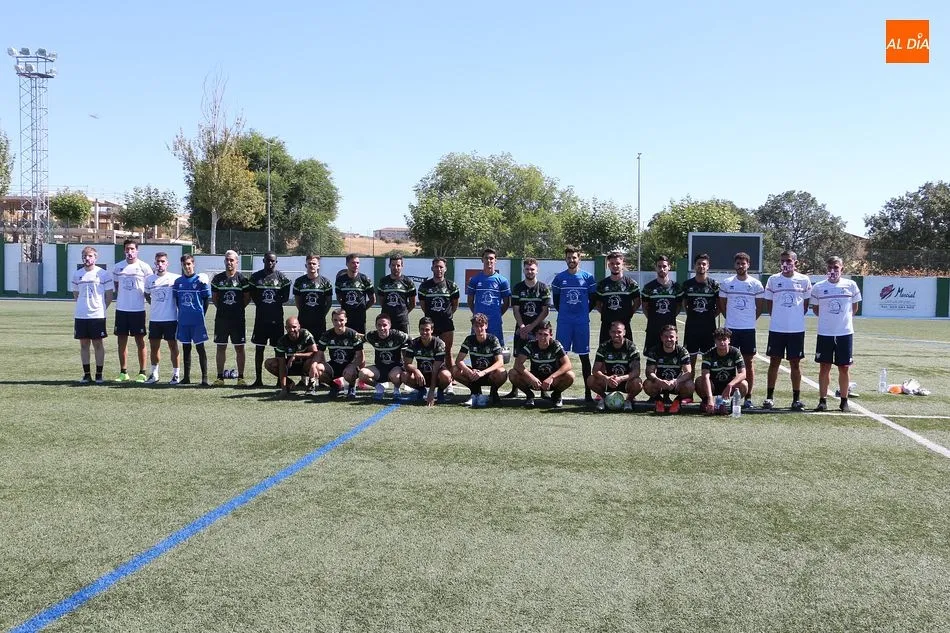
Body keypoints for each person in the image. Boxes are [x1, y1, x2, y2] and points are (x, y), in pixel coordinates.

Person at [810, 256, 862, 412]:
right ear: (826, 269)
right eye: (830, 267)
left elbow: (855, 308)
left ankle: (844, 401)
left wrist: (842, 321)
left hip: (844, 333)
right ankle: (822, 400)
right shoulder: (818, 287)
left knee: (844, 368)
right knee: (824, 367)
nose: (833, 270)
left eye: (836, 267)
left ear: (842, 268)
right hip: (825, 333)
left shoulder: (851, 285)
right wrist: (829, 321)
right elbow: (816, 309)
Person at [762, 250, 812, 411]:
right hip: (777, 329)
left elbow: (805, 305)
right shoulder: (773, 280)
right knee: (774, 363)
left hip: (796, 330)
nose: (785, 263)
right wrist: (779, 318)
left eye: (789, 261)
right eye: (783, 260)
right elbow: (769, 305)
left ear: (795, 262)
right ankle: (769, 398)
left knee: (795, 364)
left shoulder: (804, 280)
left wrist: (794, 317)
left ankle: (796, 399)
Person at [717, 252, 765, 408]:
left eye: (743, 263)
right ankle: (727, 394)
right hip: (730, 329)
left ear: (748, 265)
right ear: (734, 265)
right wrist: (731, 319)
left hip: (748, 329)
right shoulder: (726, 283)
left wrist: (749, 320)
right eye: (738, 263)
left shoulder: (756, 284)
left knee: (748, 363)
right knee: (730, 361)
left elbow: (759, 307)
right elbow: (723, 305)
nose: (740, 266)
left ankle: (748, 397)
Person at [551, 246, 597, 402]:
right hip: (564, 322)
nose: (571, 260)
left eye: (574, 257)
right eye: (569, 257)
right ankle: (557, 393)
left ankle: (587, 393)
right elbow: (556, 301)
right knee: (560, 357)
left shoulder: (588, 278)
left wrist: (581, 313)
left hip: (581, 323)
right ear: (565, 259)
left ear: (579, 259)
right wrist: (566, 313)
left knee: (584, 357)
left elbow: (593, 300)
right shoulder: (559, 279)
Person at [505, 257, 551, 398]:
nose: (530, 271)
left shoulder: (543, 287)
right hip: (522, 328)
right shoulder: (518, 287)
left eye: (532, 269)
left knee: (541, 358)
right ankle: (515, 389)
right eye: (527, 269)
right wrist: (522, 326)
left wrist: (532, 326)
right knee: (519, 357)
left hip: (538, 328)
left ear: (537, 270)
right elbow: (516, 309)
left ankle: (543, 390)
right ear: (523, 270)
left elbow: (545, 311)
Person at [112, 239, 153, 382]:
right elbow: (117, 286)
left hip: (138, 310)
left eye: (132, 249)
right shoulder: (118, 267)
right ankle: (123, 372)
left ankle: (142, 372)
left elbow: (149, 288)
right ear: (124, 250)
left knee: (140, 341)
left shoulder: (144, 267)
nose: (130, 252)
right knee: (121, 341)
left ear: (137, 250)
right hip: (122, 309)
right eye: (127, 249)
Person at [249, 251, 292, 387]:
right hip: (261, 319)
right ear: (263, 261)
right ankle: (258, 379)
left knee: (278, 351)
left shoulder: (282, 278)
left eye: (273, 261)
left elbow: (284, 297)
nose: (270, 263)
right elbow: (254, 296)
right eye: (268, 260)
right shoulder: (255, 277)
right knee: (259, 349)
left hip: (276, 320)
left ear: (276, 262)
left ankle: (280, 380)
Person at [509, 320, 574, 408]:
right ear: (536, 335)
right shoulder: (531, 345)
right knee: (513, 373)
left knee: (570, 375)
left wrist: (551, 378)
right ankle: (529, 395)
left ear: (551, 335)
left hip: (552, 382)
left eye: (545, 334)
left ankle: (557, 395)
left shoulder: (555, 345)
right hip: (535, 381)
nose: (542, 337)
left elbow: (568, 364)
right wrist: (532, 378)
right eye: (540, 334)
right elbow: (517, 364)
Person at [72, 246, 113, 384]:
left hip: (97, 315)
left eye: (90, 256)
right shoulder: (77, 274)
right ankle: (87, 374)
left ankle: (99, 374)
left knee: (98, 344)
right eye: (84, 255)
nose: (87, 258)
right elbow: (76, 295)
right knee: (84, 344)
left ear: (95, 257)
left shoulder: (103, 274)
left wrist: (100, 309)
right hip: (81, 315)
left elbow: (109, 296)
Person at [211, 250, 251, 387]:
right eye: (227, 260)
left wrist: (237, 309)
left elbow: (246, 298)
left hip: (238, 320)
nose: (229, 262)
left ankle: (240, 377)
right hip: (222, 319)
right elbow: (215, 298)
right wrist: (224, 309)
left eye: (232, 260)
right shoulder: (217, 279)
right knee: (221, 347)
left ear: (236, 262)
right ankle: (220, 377)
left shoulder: (243, 280)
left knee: (239, 348)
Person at [172, 254, 212, 386]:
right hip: (183, 321)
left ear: (193, 264)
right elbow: (177, 301)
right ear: (182, 266)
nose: (187, 267)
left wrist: (201, 314)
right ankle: (186, 377)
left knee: (200, 348)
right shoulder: (178, 282)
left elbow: (206, 300)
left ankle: (204, 378)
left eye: (189, 264)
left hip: (197, 321)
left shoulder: (200, 281)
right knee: (186, 348)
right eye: (184, 265)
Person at [453, 313, 508, 406]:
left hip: (489, 374)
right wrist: (469, 371)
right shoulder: (469, 339)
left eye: (481, 326)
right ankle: (475, 393)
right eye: (476, 326)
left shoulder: (493, 339)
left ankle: (493, 393)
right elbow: (458, 360)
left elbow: (500, 362)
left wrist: (483, 372)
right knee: (455, 370)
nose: (479, 329)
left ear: (486, 326)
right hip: (474, 374)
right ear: (473, 327)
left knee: (502, 372)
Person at [416, 257, 460, 373]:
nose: (439, 269)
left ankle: (451, 376)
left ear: (445, 269)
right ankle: (430, 373)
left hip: (446, 324)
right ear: (432, 268)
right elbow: (423, 305)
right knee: (431, 350)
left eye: (441, 267)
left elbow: (455, 304)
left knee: (447, 351)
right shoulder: (424, 286)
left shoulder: (452, 286)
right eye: (436, 266)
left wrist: (447, 315)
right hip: (430, 324)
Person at [588, 321, 643, 412]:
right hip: (609, 381)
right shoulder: (604, 347)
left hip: (625, 381)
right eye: (613, 332)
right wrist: (607, 378)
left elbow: (636, 371)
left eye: (619, 332)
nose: (616, 334)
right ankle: (605, 399)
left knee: (638, 383)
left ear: (624, 333)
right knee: (590, 380)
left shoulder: (631, 347)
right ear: (610, 333)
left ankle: (628, 400)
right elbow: (595, 370)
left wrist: (621, 379)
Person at [143, 252, 181, 384]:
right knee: (154, 347)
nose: (160, 264)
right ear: (155, 263)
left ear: (167, 263)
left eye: (162, 261)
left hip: (171, 319)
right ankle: (154, 374)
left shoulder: (175, 279)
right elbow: (147, 295)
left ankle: (176, 374)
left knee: (173, 346)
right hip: (155, 320)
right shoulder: (149, 280)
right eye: (158, 262)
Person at [681, 253, 720, 380]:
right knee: (690, 360)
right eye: (699, 263)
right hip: (692, 328)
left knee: (708, 361)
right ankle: (689, 390)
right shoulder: (687, 285)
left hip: (709, 329)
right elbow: (684, 305)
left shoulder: (714, 285)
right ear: (694, 266)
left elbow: (719, 307)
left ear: (708, 266)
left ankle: (706, 392)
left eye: (704, 264)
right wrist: (694, 316)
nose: (701, 266)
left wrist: (708, 317)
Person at [314, 309, 365, 399]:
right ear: (332, 320)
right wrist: (314, 365)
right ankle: (335, 387)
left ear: (346, 320)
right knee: (318, 369)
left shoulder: (353, 335)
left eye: (341, 320)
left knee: (350, 372)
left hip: (350, 366)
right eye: (335, 320)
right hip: (334, 364)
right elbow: (319, 353)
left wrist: (353, 366)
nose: (338, 323)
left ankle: (351, 387)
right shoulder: (327, 335)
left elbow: (360, 356)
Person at [403, 317, 453, 406]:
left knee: (446, 376)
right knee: (404, 375)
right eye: (422, 329)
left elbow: (435, 368)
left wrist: (432, 390)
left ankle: (440, 391)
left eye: (427, 330)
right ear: (419, 329)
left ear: (432, 330)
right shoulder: (414, 343)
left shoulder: (439, 344)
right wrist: (416, 370)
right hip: (422, 375)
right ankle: (421, 390)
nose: (424, 332)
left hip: (437, 375)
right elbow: (407, 363)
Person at [643, 324, 694, 412]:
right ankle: (659, 400)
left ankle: (677, 401)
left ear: (676, 338)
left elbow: (688, 372)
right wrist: (659, 381)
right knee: (647, 384)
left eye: (671, 337)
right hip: (660, 383)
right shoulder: (654, 351)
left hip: (676, 384)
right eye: (666, 337)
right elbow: (649, 372)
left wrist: (676, 381)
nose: (669, 339)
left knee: (690, 385)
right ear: (661, 338)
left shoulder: (682, 351)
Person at [465, 248, 511, 347]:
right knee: (476, 348)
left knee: (497, 349)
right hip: (478, 322)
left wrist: (497, 314)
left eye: (491, 258)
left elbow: (506, 303)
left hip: (495, 321)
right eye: (486, 258)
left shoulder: (502, 281)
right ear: (482, 260)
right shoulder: (475, 280)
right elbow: (470, 301)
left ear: (495, 260)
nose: (489, 261)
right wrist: (477, 314)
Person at [265, 317, 319, 399]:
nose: (292, 330)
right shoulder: (282, 341)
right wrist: (283, 388)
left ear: (299, 326)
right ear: (285, 328)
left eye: (294, 327)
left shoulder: (305, 334)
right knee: (269, 363)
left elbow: (315, 353)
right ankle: (289, 384)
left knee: (313, 361)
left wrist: (296, 355)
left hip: (306, 366)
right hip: (291, 366)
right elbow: (282, 365)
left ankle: (311, 386)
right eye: (289, 327)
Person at [594, 250, 641, 346]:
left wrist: (629, 313)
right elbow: (597, 303)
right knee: (604, 353)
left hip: (624, 324)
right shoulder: (602, 285)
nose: (615, 266)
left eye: (618, 263)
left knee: (628, 352)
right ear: (608, 265)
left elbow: (637, 302)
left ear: (622, 263)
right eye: (612, 263)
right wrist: (605, 314)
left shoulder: (631, 283)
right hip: (607, 325)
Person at [697, 327, 748, 414]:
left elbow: (743, 373)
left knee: (744, 384)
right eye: (719, 340)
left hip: (728, 385)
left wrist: (730, 385)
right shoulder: (708, 354)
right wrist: (710, 398)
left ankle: (732, 403)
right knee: (699, 381)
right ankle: (707, 401)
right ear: (715, 341)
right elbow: (705, 376)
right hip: (713, 385)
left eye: (724, 339)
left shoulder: (735, 352)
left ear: (729, 340)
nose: (722, 342)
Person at [360, 313, 410, 399]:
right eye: (379, 325)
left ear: (390, 325)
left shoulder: (398, 335)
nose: (382, 328)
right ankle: (379, 387)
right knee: (362, 373)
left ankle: (396, 389)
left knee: (395, 376)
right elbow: (359, 338)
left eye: (384, 325)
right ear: (376, 326)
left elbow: (412, 341)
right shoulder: (372, 336)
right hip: (379, 368)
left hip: (395, 367)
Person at [641, 255, 683, 353]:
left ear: (669, 267)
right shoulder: (648, 287)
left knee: (671, 355)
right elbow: (644, 307)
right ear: (656, 268)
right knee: (651, 358)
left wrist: (669, 316)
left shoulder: (676, 287)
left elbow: (678, 306)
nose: (662, 269)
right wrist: (654, 318)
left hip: (670, 328)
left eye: (664, 266)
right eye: (659, 266)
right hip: (653, 328)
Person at [293, 254, 333, 340]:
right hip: (303, 320)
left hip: (319, 321)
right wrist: (305, 312)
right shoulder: (299, 282)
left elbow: (329, 302)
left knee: (318, 348)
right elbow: (297, 301)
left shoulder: (326, 282)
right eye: (309, 263)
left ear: (318, 266)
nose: (311, 265)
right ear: (305, 265)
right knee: (303, 346)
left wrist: (322, 314)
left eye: (314, 264)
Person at [334, 253, 375, 334]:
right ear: (347, 264)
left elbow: (372, 300)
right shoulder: (340, 280)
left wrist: (362, 309)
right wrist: (346, 308)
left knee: (359, 343)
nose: (356, 265)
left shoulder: (365, 279)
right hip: (345, 318)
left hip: (360, 319)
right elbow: (339, 298)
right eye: (353, 263)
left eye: (357, 263)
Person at [376, 254, 416, 335]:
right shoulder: (383, 281)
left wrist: (403, 313)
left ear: (402, 266)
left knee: (404, 345)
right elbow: (381, 300)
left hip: (402, 321)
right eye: (393, 265)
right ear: (389, 266)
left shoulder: (408, 282)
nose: (395, 268)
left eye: (398, 265)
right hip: (386, 321)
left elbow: (412, 303)